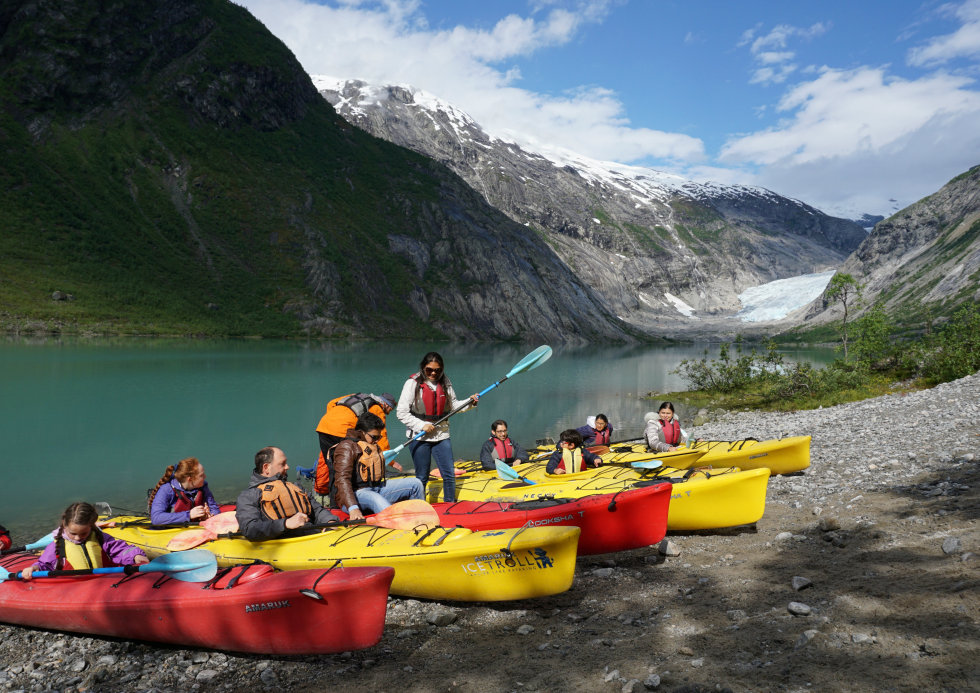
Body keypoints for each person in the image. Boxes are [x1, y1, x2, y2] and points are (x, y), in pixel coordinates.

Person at [396, 351, 478, 503]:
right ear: (423, 368)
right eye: (429, 370)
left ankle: (449, 505)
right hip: (419, 437)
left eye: (437, 370)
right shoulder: (412, 384)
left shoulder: (445, 383)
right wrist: (422, 425)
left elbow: (454, 406)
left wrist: (470, 402)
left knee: (448, 474)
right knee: (422, 476)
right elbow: (401, 413)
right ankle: (420, 506)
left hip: (441, 435)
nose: (433, 373)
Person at [328, 412, 424, 520]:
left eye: (379, 437)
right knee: (376, 499)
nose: (377, 440)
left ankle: (421, 518)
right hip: (355, 496)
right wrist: (353, 507)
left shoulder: (371, 445)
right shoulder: (346, 447)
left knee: (416, 484)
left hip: (377, 488)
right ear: (361, 432)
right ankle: (397, 524)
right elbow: (342, 479)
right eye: (374, 437)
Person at [19, 502, 148, 580]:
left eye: (83, 533)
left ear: (91, 526)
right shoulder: (56, 546)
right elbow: (44, 566)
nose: (77, 538)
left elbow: (120, 550)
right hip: (76, 586)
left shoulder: (100, 537)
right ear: (64, 525)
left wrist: (135, 555)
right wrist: (34, 568)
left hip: (107, 580)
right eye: (73, 533)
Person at [236, 446, 337, 541]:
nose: (287, 467)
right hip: (283, 542)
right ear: (266, 467)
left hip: (311, 537)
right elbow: (250, 529)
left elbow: (318, 510)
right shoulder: (249, 496)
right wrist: (286, 523)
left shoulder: (296, 488)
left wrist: (330, 521)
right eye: (282, 464)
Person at [316, 392, 397, 453]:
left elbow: (331, 403)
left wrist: (332, 420)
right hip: (341, 431)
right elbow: (381, 436)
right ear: (386, 405)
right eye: (390, 409)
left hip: (324, 426)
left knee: (328, 459)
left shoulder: (357, 395)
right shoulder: (377, 408)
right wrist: (389, 460)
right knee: (349, 461)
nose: (389, 413)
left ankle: (322, 476)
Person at [148, 457, 221, 525]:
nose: (205, 477)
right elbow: (156, 518)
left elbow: (214, 508)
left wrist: (210, 516)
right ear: (190, 479)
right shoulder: (167, 489)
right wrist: (189, 515)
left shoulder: (203, 486)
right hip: (172, 529)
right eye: (201, 475)